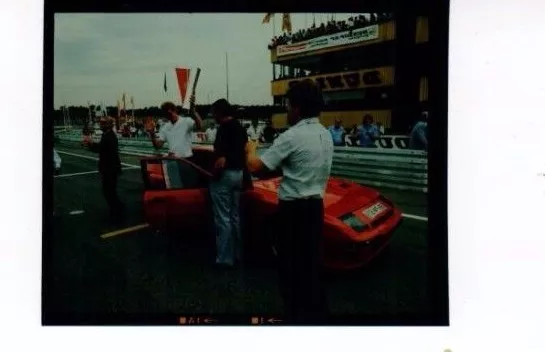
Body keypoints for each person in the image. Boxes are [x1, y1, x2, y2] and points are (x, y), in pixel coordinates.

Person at [245, 79, 333, 324]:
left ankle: (295, 320)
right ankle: (317, 318)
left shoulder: (292, 136)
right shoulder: (324, 133)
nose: (286, 110)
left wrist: (250, 149)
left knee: (290, 270)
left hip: (293, 210)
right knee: (312, 268)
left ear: (297, 107)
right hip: (315, 207)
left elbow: (256, 168)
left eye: (287, 105)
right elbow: (295, 167)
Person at [206, 98, 249, 268]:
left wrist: (212, 176)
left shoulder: (223, 130)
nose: (213, 116)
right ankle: (239, 254)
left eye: (213, 113)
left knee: (222, 218)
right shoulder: (240, 128)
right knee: (235, 216)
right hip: (238, 174)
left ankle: (225, 258)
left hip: (224, 176)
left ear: (219, 112)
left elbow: (220, 160)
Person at [84, 116, 125, 222]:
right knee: (109, 192)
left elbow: (102, 149)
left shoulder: (109, 136)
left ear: (108, 125)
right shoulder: (107, 135)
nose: (100, 125)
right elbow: (101, 148)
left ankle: (118, 211)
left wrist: (90, 144)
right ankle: (117, 210)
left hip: (110, 169)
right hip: (109, 168)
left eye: (103, 123)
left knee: (109, 192)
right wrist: (91, 144)